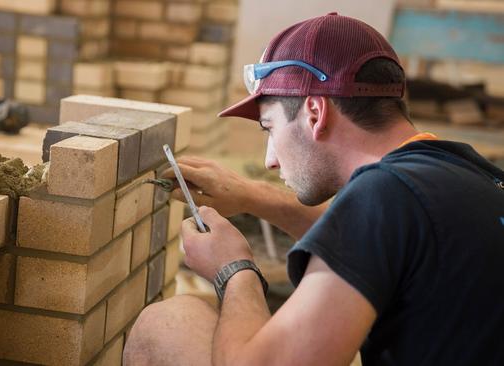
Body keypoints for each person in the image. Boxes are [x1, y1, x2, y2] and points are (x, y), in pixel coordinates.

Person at [123, 12, 504, 366]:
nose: (270, 159)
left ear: (315, 113)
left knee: (169, 323)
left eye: (269, 128)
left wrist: (233, 268)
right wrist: (252, 195)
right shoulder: (465, 172)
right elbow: (372, 243)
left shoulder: (382, 194)